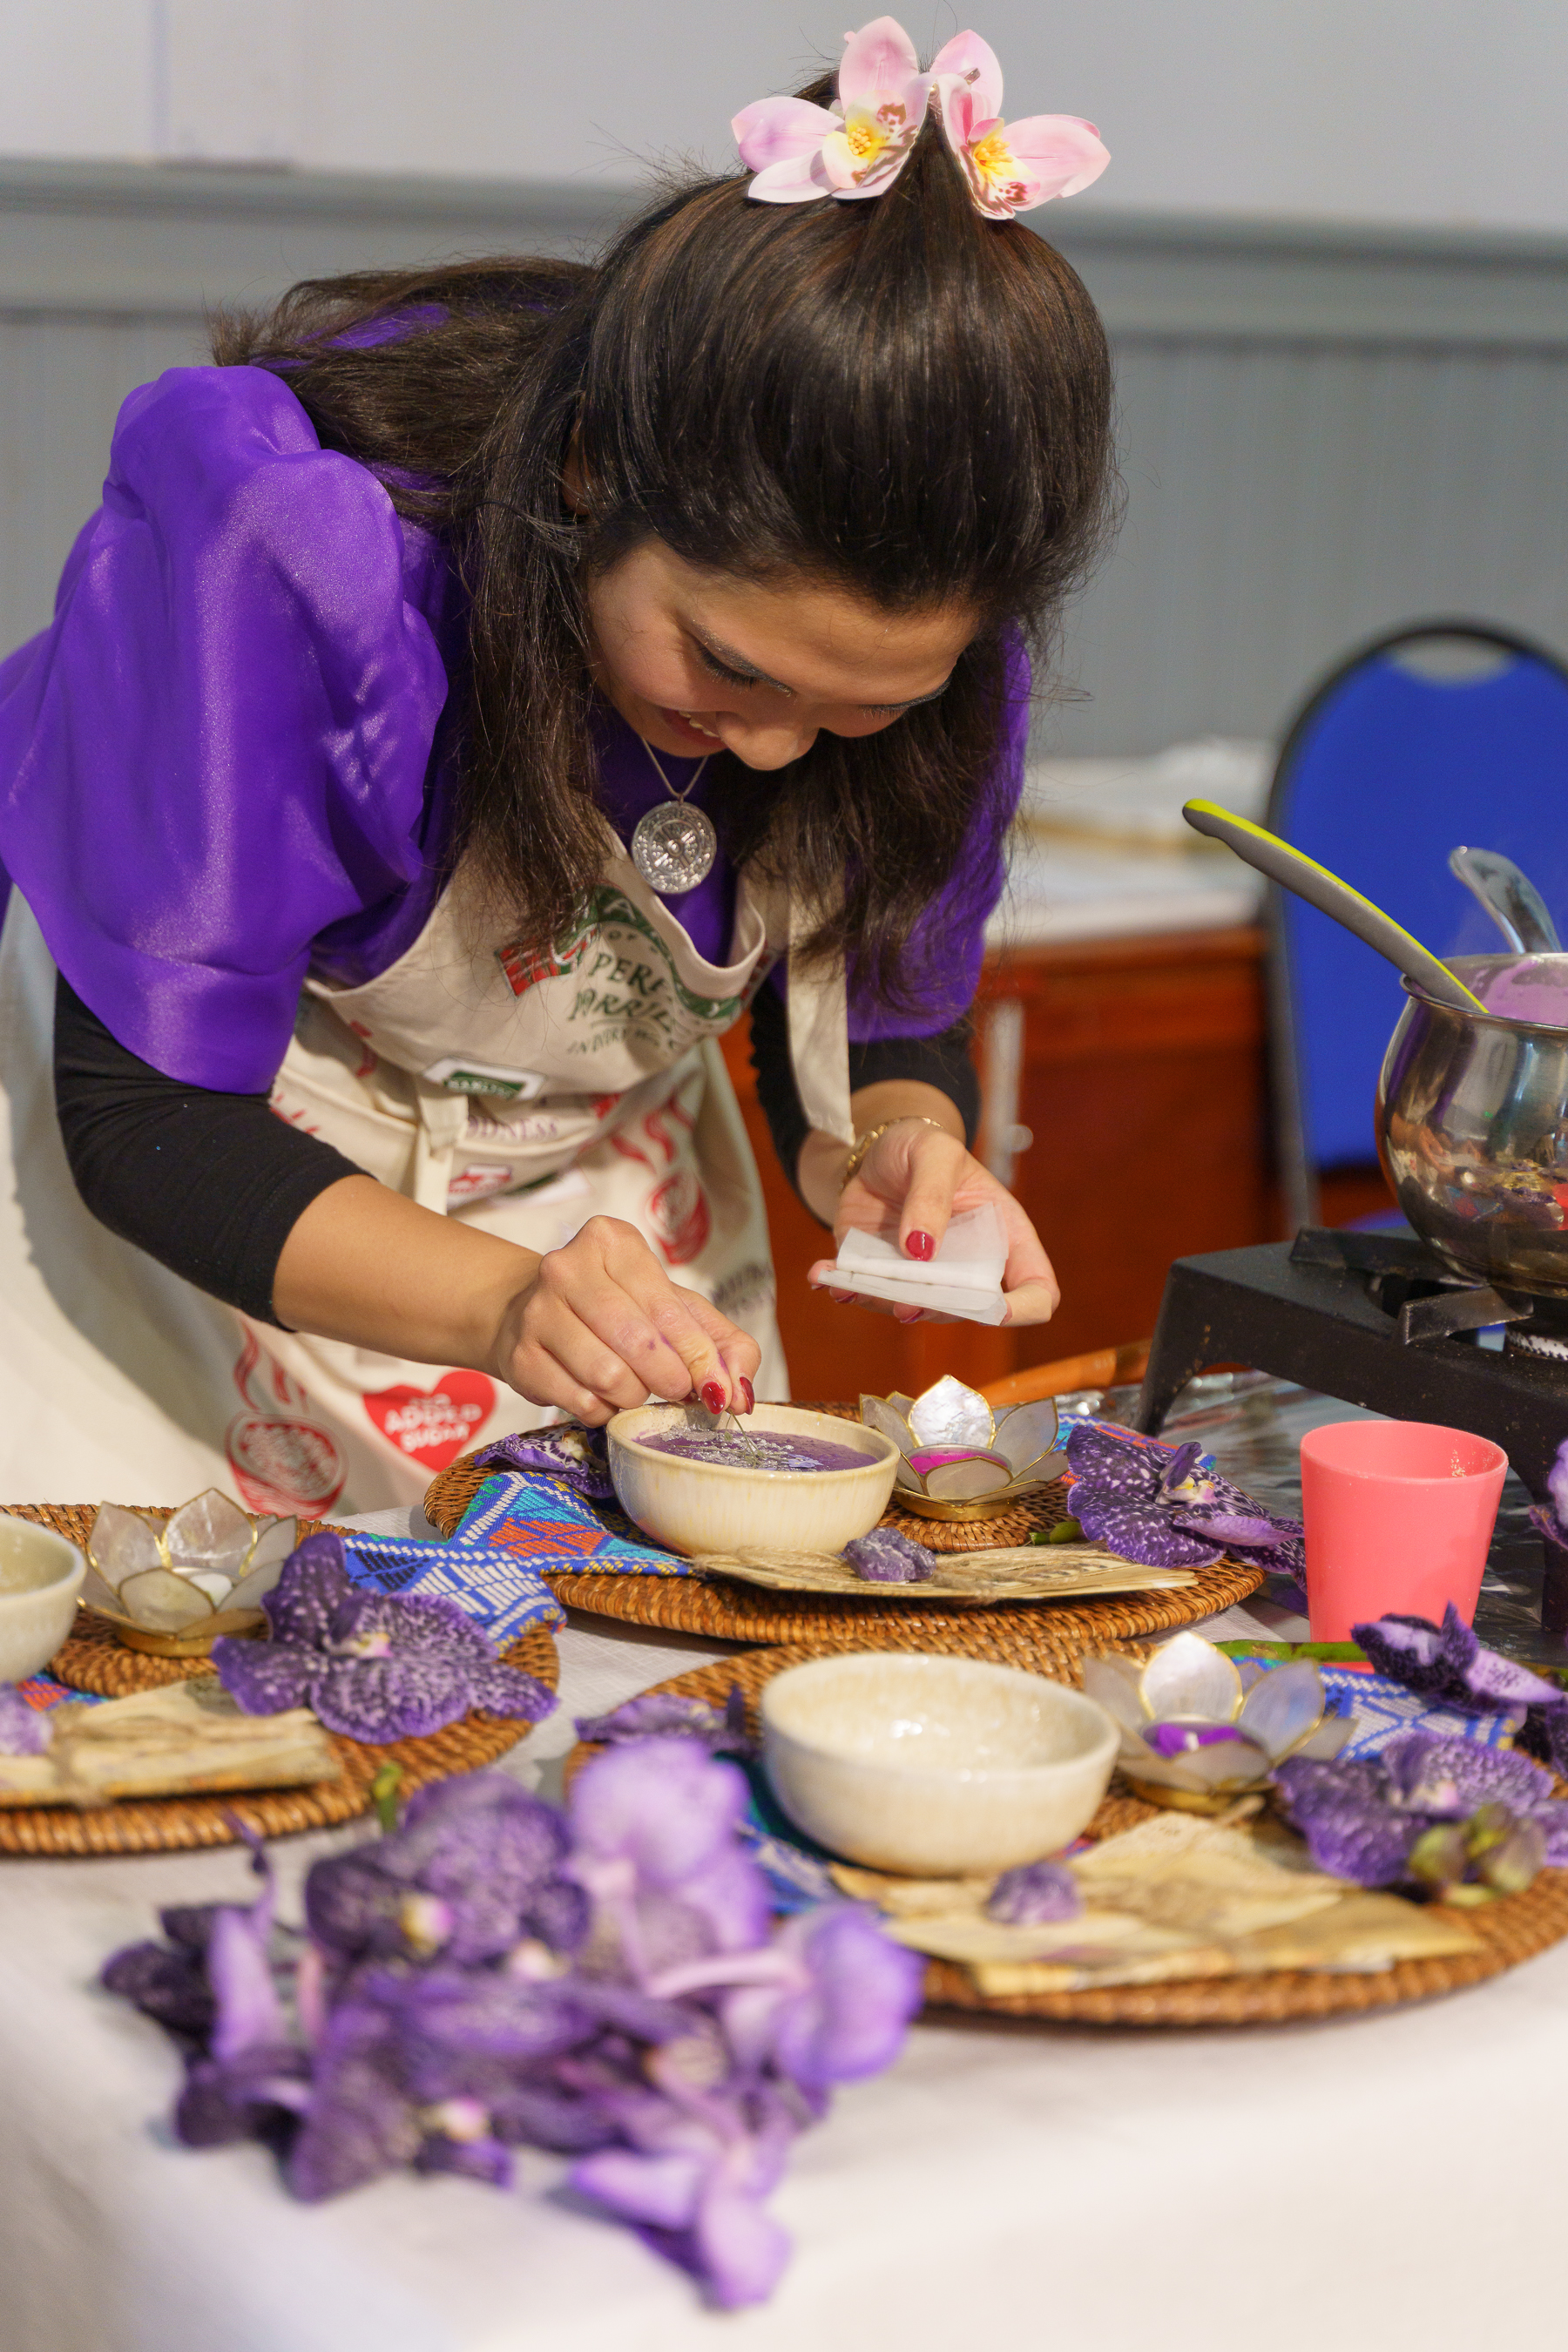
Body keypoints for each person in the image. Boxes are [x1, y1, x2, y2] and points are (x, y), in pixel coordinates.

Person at [0, 20, 1112, 1512]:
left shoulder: (942, 664)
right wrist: (504, 1305)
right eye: (728, 666)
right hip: (211, 1163)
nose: (780, 746)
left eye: (862, 708)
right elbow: (148, 1121)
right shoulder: (300, 577)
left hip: (587, 1180)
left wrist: (896, 1157)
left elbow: (874, 1019)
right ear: (589, 471)